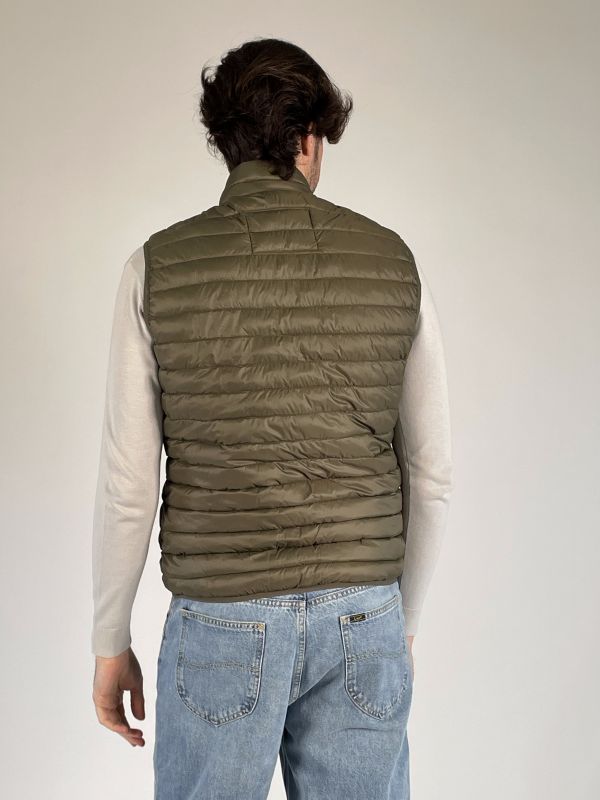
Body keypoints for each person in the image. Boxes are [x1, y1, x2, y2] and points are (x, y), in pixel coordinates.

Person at [91, 36, 453, 800]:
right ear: (310, 140)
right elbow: (430, 473)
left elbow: (128, 484)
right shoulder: (393, 262)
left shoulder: (155, 267)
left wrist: (109, 639)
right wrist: (400, 623)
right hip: (363, 614)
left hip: (220, 622)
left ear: (226, 143)